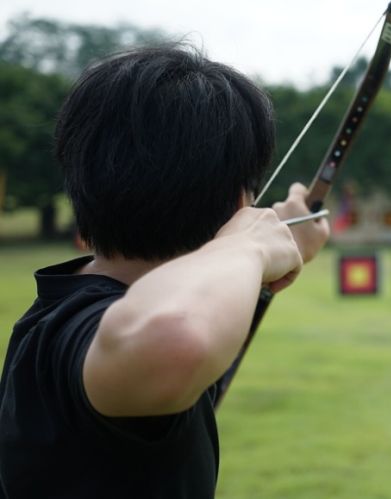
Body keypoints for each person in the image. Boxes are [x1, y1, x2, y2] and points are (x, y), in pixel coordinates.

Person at [0, 45, 330, 498]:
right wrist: (249, 246)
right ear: (239, 204)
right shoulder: (83, 331)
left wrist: (267, 255)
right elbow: (176, 334)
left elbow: (196, 318)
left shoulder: (62, 314)